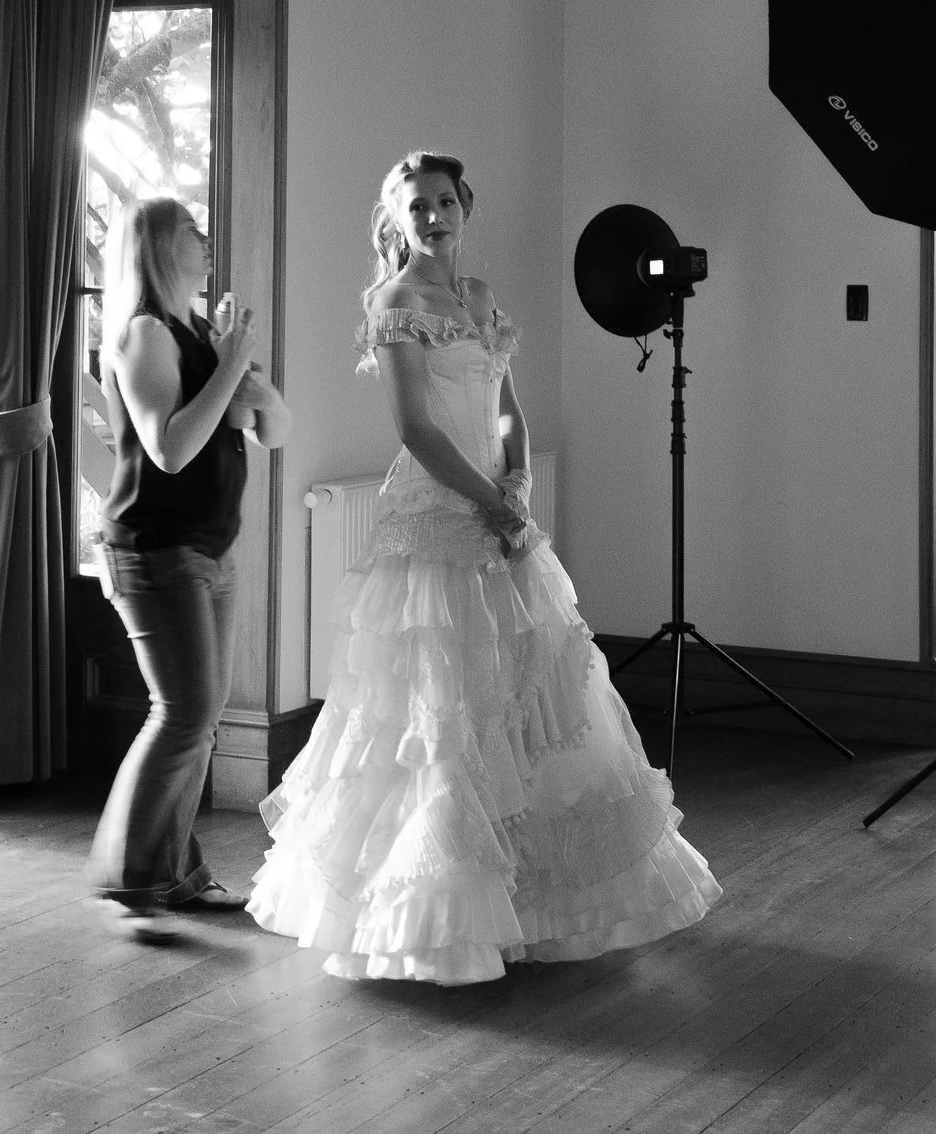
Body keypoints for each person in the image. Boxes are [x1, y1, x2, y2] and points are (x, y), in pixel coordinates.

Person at [247, 150, 721, 981]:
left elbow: (507, 405)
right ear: (397, 220)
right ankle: (434, 920)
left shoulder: (479, 299)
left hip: (499, 513)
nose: (431, 217)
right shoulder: (394, 304)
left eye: (443, 202)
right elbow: (416, 431)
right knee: (440, 713)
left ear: (465, 207)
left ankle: (532, 901)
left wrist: (521, 481)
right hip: (434, 517)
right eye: (415, 206)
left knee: (527, 698)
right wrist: (488, 501)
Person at [90, 193, 290, 913]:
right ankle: (132, 874)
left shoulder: (197, 328)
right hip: (154, 550)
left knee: (197, 719)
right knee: (183, 713)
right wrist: (232, 365)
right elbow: (170, 450)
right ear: (157, 250)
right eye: (192, 231)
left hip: (208, 551)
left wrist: (247, 378)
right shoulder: (146, 335)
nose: (208, 239)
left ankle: (170, 871)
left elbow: (273, 431)